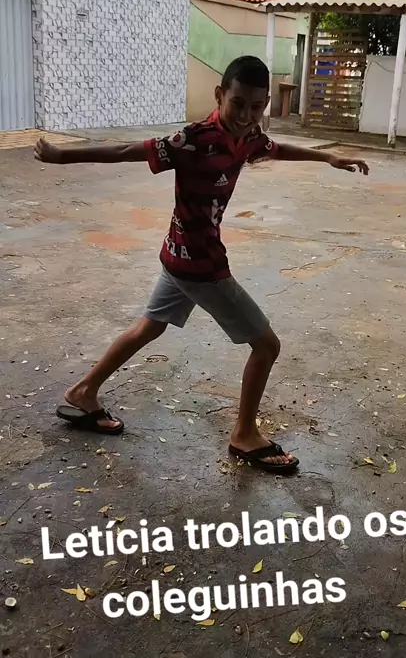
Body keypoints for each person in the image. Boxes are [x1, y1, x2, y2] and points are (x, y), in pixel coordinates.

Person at [34, 56, 369, 474]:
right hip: (201, 266)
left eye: (256, 106)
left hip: (177, 255)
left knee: (150, 326)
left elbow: (276, 148)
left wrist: (327, 157)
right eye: (238, 104)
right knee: (267, 346)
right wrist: (62, 156)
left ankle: (84, 391)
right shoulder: (192, 140)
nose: (246, 115)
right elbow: (125, 150)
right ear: (219, 96)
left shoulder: (248, 136)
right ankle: (244, 434)